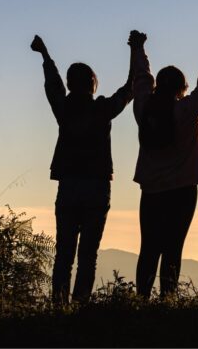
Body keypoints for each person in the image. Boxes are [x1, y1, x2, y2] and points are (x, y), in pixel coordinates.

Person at [30, 33, 134, 305]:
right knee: (89, 253)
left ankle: (59, 304)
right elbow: (129, 90)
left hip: (69, 186)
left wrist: (45, 55)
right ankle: (81, 304)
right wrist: (136, 52)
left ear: (70, 83)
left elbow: (52, 84)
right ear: (92, 83)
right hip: (97, 187)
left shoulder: (63, 108)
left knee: (64, 251)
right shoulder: (102, 109)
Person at [131, 30, 198, 298]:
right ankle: (169, 299)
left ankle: (141, 299)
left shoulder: (144, 108)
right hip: (183, 191)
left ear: (157, 86)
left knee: (149, 248)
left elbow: (140, 79)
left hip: (151, 190)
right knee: (173, 248)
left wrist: (138, 47)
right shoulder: (188, 111)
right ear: (181, 88)